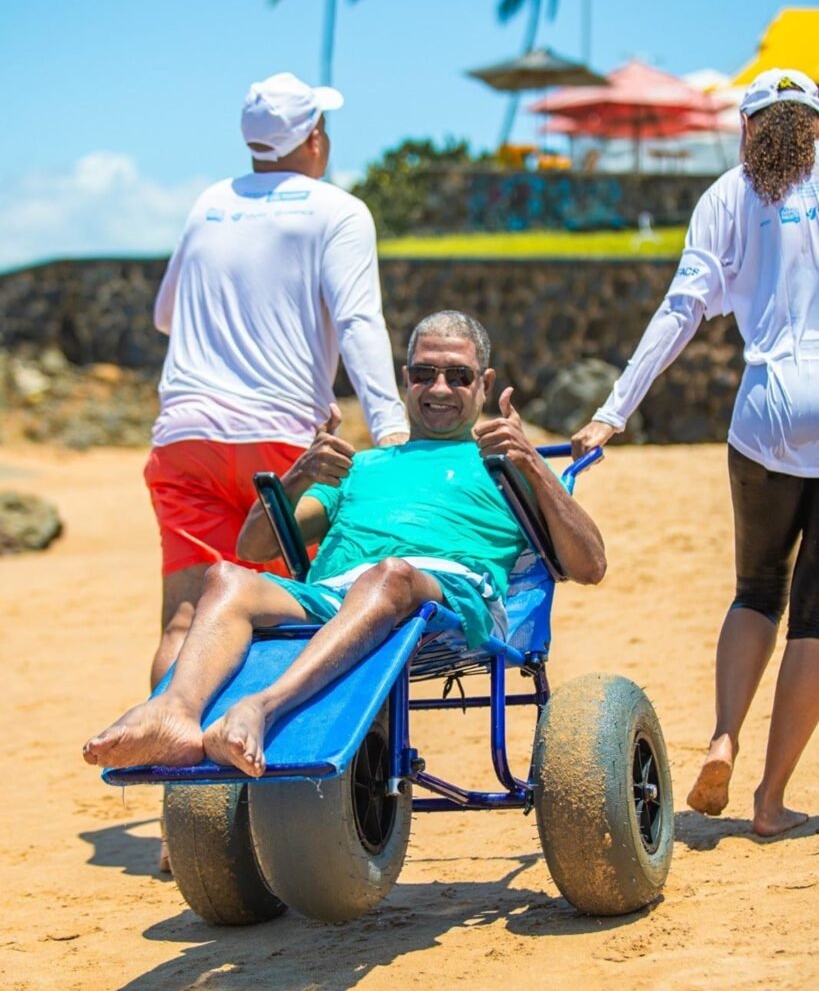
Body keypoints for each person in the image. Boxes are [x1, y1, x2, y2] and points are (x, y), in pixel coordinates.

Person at [84, 311, 606, 777]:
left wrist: (535, 464)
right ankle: (175, 713)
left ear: (485, 384)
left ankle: (261, 708)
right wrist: (299, 475)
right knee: (225, 578)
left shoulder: (504, 466)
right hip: (339, 596)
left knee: (390, 574)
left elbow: (590, 564)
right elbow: (256, 542)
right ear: (406, 381)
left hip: (442, 597)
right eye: (424, 373)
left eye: (458, 376)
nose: (439, 388)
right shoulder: (360, 467)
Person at [572, 68, 819, 837]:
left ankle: (722, 737)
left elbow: (678, 313)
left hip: (761, 413)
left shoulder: (723, 196)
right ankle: (771, 801)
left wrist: (612, 412)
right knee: (813, 617)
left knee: (755, 590)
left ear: (746, 128)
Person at [145, 71, 409, 694]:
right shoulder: (338, 210)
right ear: (315, 136)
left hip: (187, 438)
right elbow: (357, 321)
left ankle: (179, 767)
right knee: (312, 619)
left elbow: (165, 315)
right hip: (285, 448)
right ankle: (301, 771)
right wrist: (393, 429)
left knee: (186, 620)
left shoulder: (209, 203)